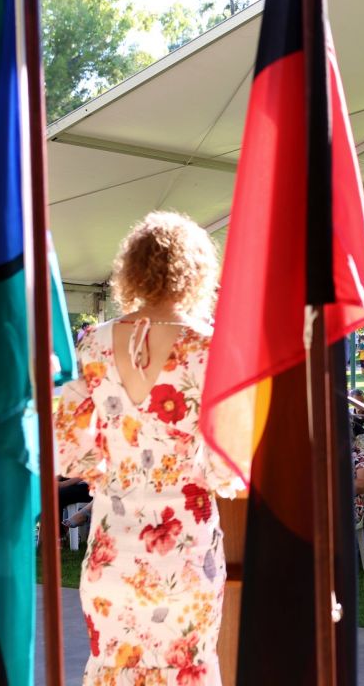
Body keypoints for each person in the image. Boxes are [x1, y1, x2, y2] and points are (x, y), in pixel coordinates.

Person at [54, 211, 235, 684]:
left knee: (113, 669)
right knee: (186, 670)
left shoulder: (91, 344)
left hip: (112, 548)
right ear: (195, 272)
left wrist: (111, 467)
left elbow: (69, 450)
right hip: (185, 550)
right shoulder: (208, 347)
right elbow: (226, 467)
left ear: (130, 269)